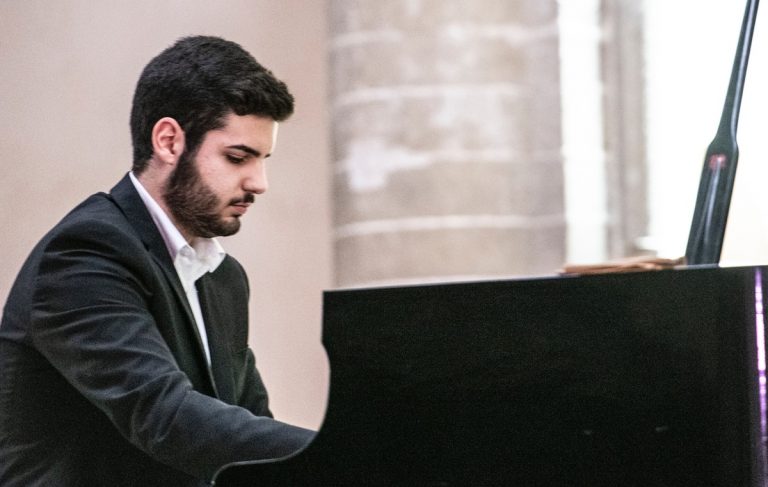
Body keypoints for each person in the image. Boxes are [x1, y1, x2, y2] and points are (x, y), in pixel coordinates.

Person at [0, 35, 315, 486]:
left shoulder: (222, 277)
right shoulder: (85, 252)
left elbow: (248, 425)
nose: (259, 182)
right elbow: (163, 415)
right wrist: (335, 453)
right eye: (237, 157)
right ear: (169, 141)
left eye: (263, 159)